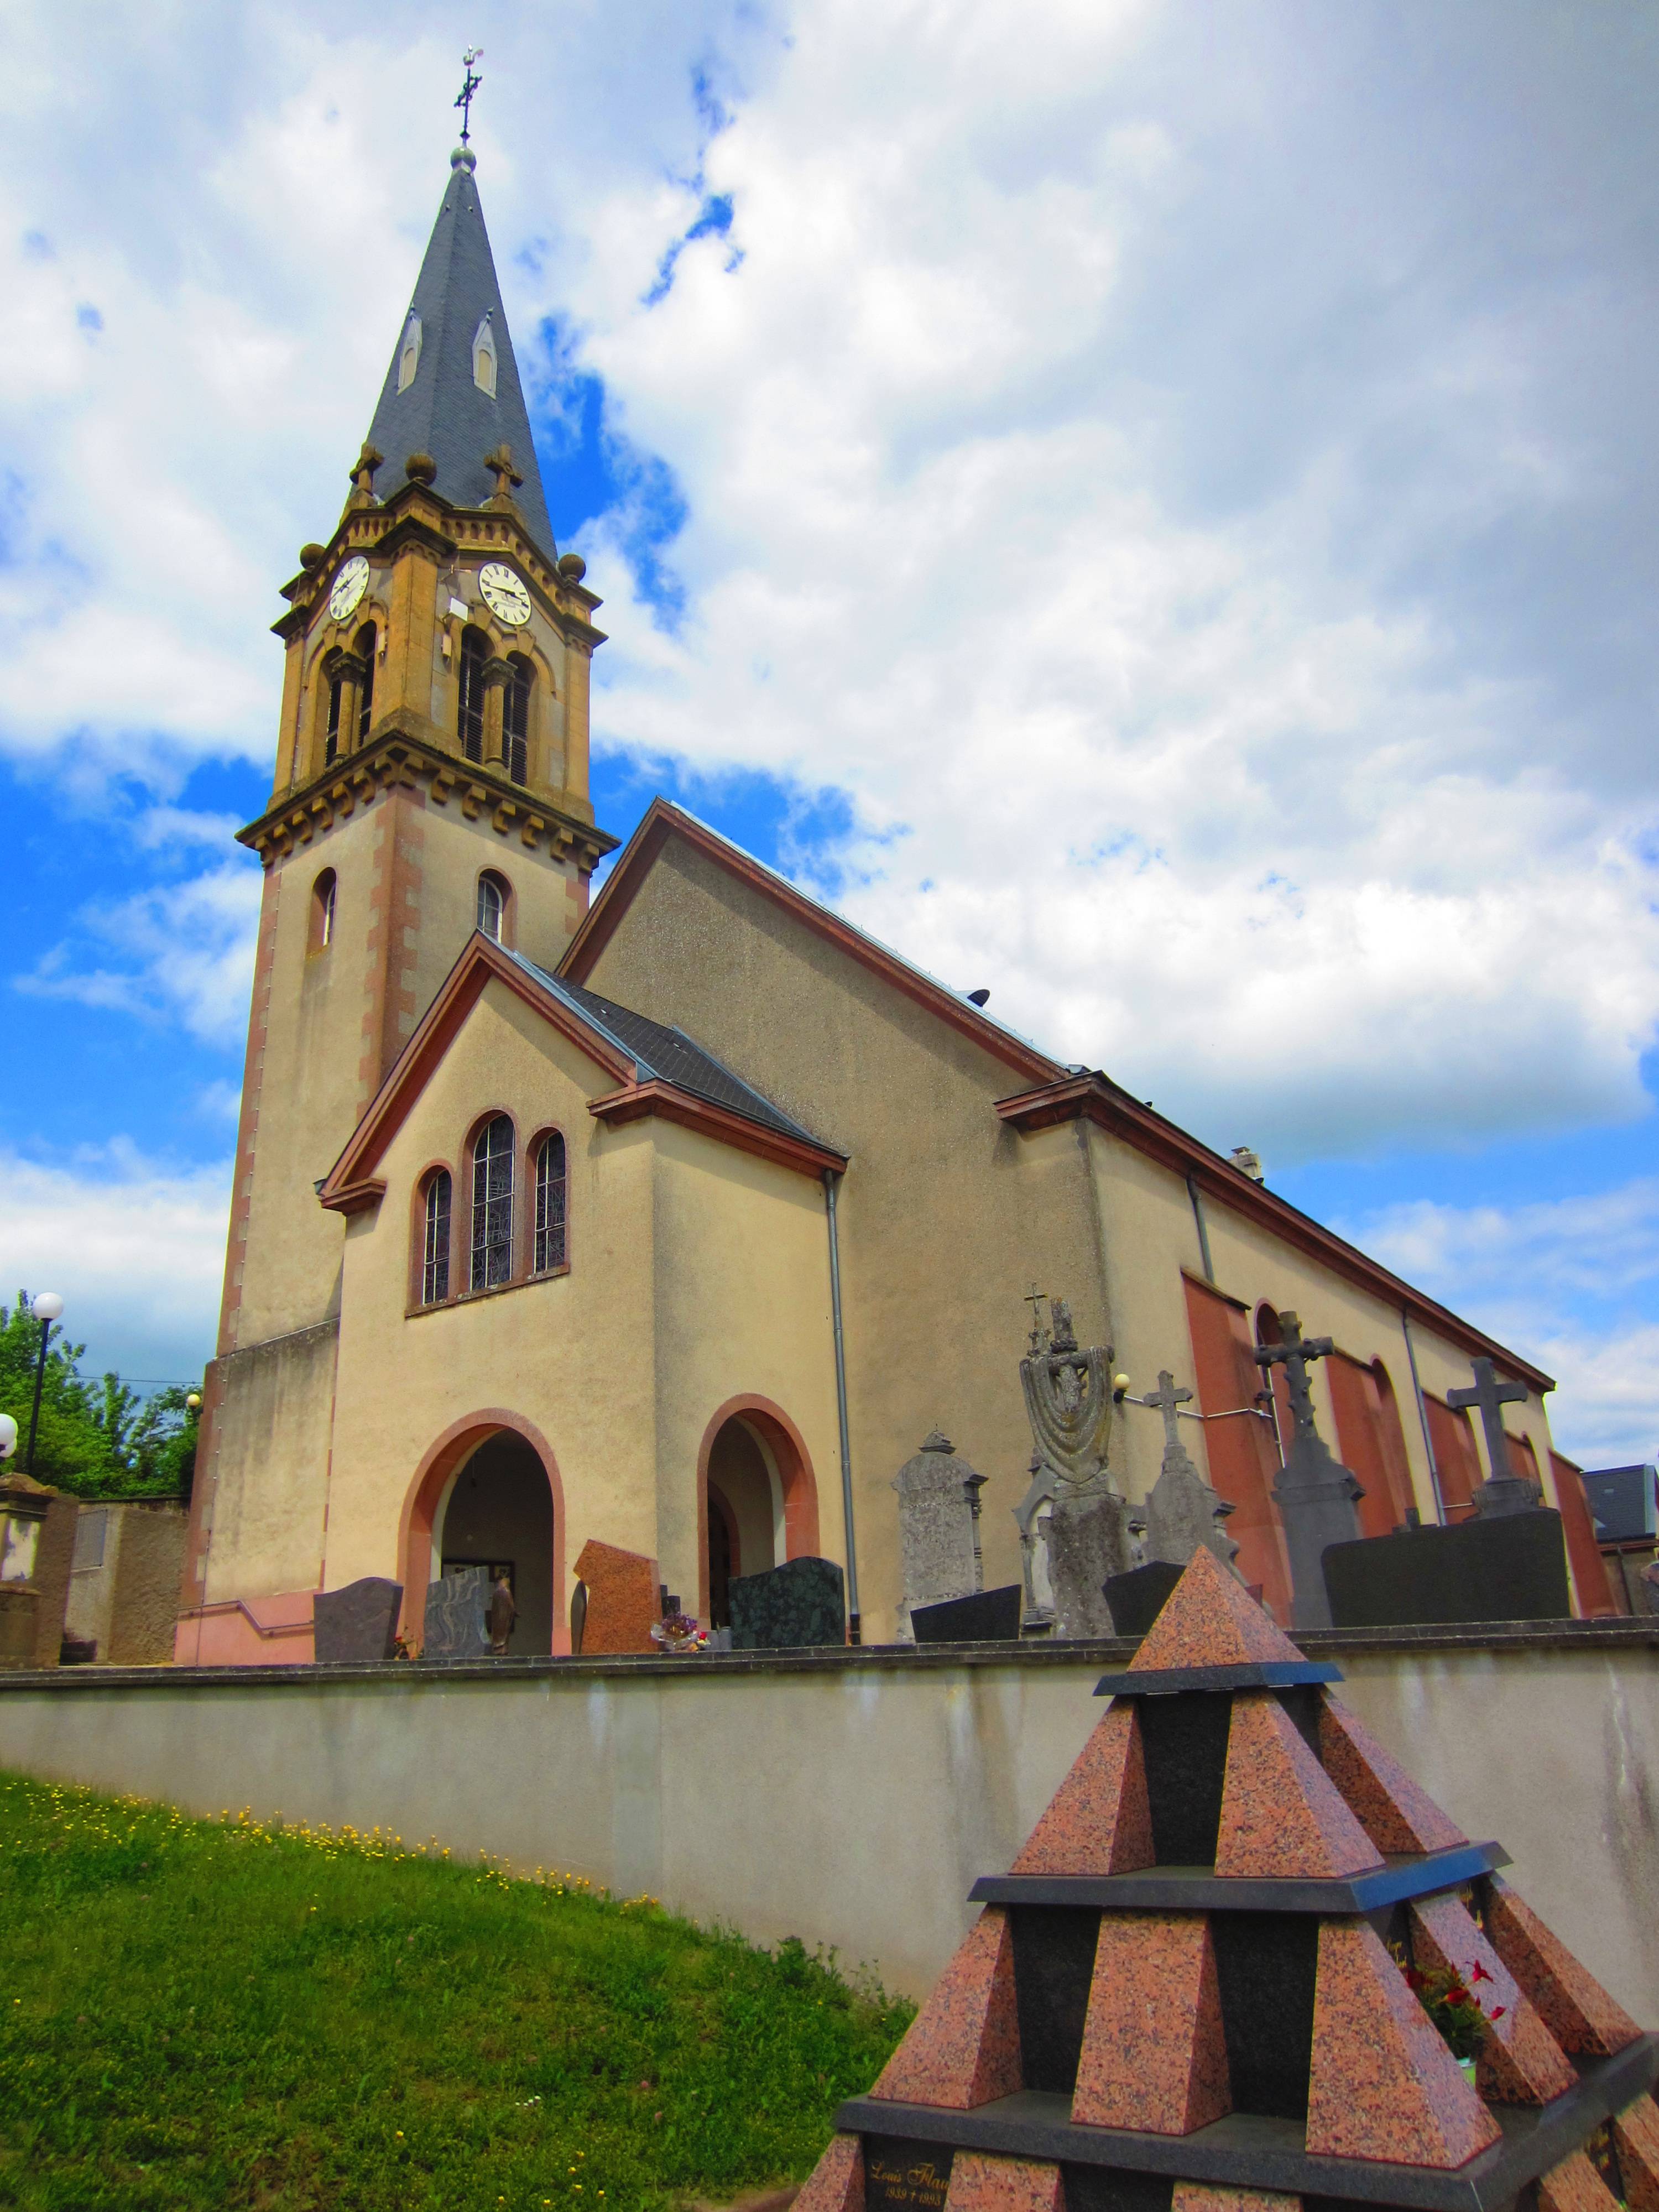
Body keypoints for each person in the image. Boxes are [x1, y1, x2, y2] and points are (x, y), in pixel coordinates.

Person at [488, 1569, 517, 1655]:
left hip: (500, 1618)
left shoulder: (497, 1593)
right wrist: (514, 1610)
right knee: (503, 1634)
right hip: (503, 1618)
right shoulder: (505, 1592)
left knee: (500, 1634)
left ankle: (500, 1649)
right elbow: (511, 1604)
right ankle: (501, 1649)